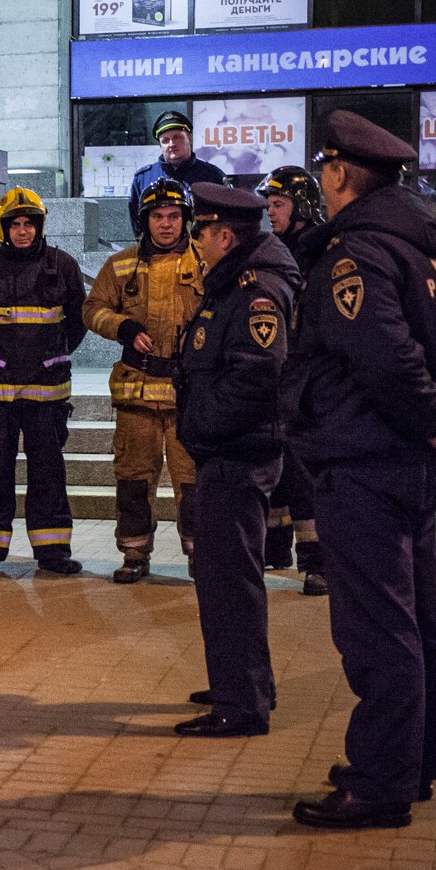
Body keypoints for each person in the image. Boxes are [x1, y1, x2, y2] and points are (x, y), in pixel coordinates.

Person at [287, 110, 436, 830]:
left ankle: (378, 783)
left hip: (365, 458)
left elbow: (385, 356)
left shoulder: (358, 252)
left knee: (379, 627)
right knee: (418, 618)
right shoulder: (431, 245)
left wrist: (433, 417)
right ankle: (410, 765)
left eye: (322, 171)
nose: (319, 181)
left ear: (340, 173)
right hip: (406, 461)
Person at [171, 184, 298, 739]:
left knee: (228, 579)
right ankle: (243, 682)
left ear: (225, 236)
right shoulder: (234, 283)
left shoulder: (255, 292)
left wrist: (202, 426)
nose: (196, 243)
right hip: (229, 450)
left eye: (200, 233)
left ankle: (241, 703)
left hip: (236, 452)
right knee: (225, 576)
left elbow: (256, 373)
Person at [0, 188, 87, 577]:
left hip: (47, 391)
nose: (23, 231)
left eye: (30, 223)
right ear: (3, 228)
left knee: (48, 470)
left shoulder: (62, 265)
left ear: (40, 226)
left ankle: (53, 551)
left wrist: (54, 355)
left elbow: (78, 321)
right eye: (16, 224)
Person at [83, 177, 203, 583]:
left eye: (173, 216)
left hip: (190, 397)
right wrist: (122, 326)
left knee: (194, 484)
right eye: (157, 216)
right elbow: (92, 307)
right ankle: (134, 554)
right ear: (144, 220)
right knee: (133, 479)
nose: (166, 224)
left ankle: (199, 556)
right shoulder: (121, 264)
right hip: (137, 393)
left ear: (186, 219)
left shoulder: (206, 261)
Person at [258, 165, 329, 596]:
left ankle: (318, 562)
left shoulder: (320, 250)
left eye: (278, 204)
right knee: (276, 467)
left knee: (303, 473)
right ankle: (276, 548)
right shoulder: (269, 247)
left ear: (301, 208)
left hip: (308, 376)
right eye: (267, 203)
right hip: (276, 372)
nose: (270, 211)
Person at [127, 111, 226, 233]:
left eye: (177, 137)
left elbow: (225, 222)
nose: (171, 144)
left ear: (189, 138)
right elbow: (138, 224)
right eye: (165, 140)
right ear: (160, 145)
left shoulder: (212, 176)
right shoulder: (143, 179)